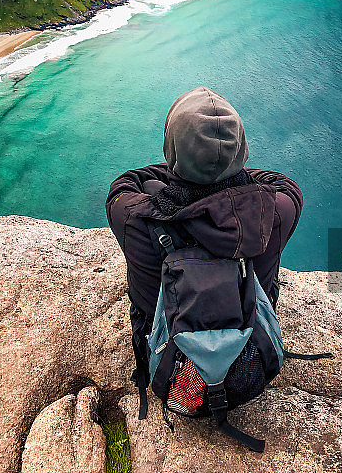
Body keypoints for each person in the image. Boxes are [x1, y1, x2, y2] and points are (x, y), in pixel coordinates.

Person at [105, 86, 303, 386]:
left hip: (170, 362)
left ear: (172, 152)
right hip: (250, 353)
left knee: (152, 188)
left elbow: (131, 180)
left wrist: (182, 166)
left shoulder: (131, 214)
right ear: (242, 150)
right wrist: (227, 165)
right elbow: (276, 180)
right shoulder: (280, 209)